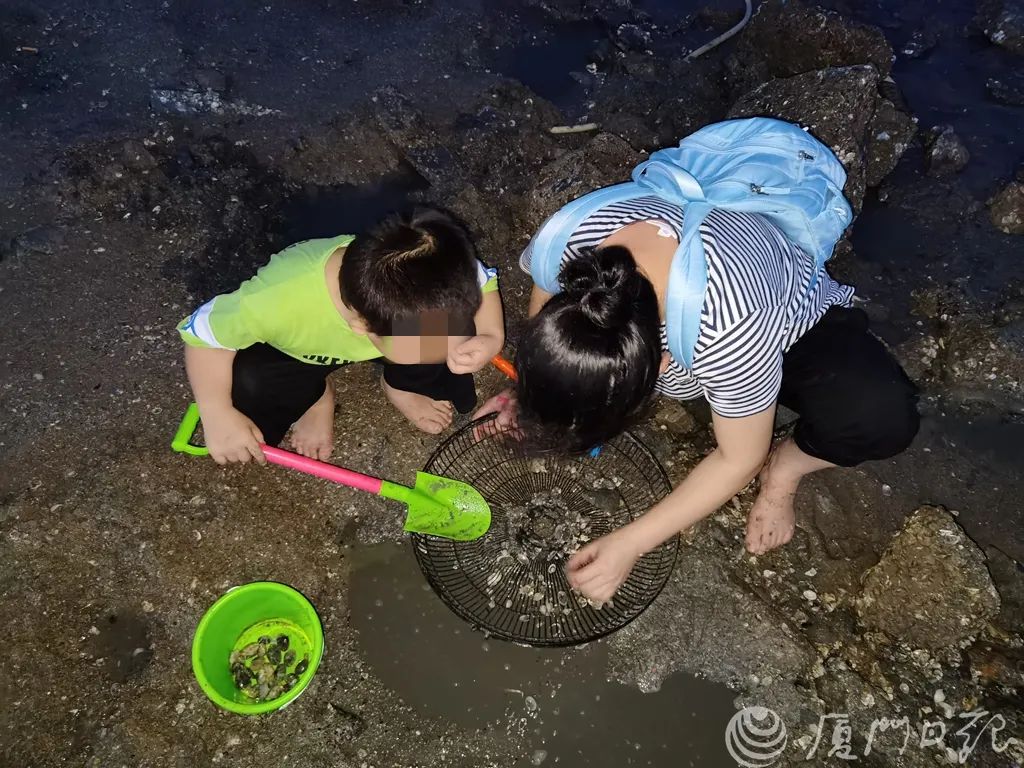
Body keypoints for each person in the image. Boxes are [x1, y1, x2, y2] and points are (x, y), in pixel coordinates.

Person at [476, 197, 918, 602]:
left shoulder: (729, 328)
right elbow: (546, 313)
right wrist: (533, 392)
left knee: (880, 418)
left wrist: (630, 543)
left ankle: (788, 466)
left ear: (664, 366)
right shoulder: (563, 243)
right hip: (697, 311)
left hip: (788, 316)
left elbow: (737, 459)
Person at [178, 207, 504, 464]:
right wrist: (216, 413)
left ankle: (401, 385)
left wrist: (490, 336)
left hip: (389, 329)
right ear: (362, 327)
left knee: (455, 339)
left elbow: (482, 281)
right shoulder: (278, 302)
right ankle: (315, 397)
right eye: (433, 341)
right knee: (247, 394)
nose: (450, 345)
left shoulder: (437, 264)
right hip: (302, 349)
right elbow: (203, 337)